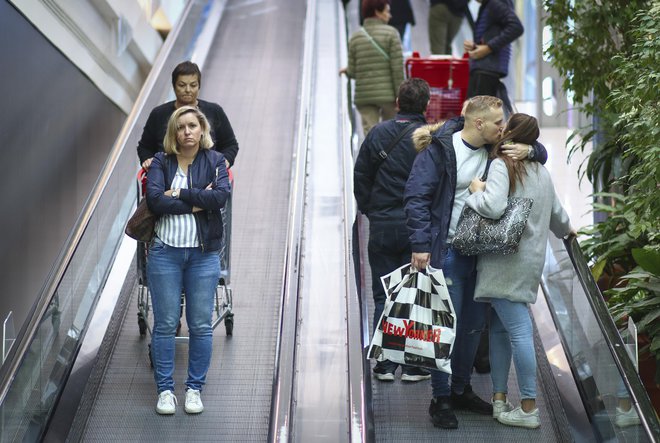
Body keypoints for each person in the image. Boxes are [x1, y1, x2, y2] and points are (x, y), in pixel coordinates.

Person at [403, 95, 547, 430]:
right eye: (498, 122)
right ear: (479, 123)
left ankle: (460, 389)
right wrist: (421, 243)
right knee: (445, 328)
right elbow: (416, 196)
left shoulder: (495, 149)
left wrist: (534, 150)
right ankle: (440, 398)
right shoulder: (442, 150)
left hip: (480, 254)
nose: (503, 128)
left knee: (470, 329)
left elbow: (536, 151)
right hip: (448, 252)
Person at [466, 113, 574, 428]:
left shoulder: (502, 166)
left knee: (518, 331)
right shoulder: (541, 171)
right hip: (528, 262)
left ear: (511, 133)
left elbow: (494, 206)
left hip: (503, 261)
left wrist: (476, 190)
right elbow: (559, 218)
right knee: (500, 331)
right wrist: (570, 231)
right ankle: (500, 399)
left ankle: (528, 407)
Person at [145, 106, 231, 415]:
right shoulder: (160, 162)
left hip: (202, 255)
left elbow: (220, 197)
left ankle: (194, 389)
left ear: (202, 129)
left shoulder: (215, 161)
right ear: (173, 133)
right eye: (181, 127)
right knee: (166, 324)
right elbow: (155, 200)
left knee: (200, 325)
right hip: (164, 253)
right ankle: (165, 390)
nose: (187, 132)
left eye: (193, 125)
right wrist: (196, 202)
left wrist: (179, 192)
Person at [354, 78, 432, 383]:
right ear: (426, 106)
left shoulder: (378, 134)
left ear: (397, 103)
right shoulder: (430, 138)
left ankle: (385, 364)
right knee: (414, 294)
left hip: (383, 225)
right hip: (418, 231)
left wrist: (371, 210)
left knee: (384, 294)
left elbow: (362, 175)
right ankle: (413, 366)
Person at [137, 61, 239, 170]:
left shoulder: (214, 111)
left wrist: (225, 161)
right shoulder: (158, 114)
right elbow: (145, 147)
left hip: (208, 176)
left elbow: (230, 145)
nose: (188, 90)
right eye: (182, 85)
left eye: (193, 85)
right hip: (166, 178)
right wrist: (147, 159)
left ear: (199, 86)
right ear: (174, 86)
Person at [340, 0, 404, 135]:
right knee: (389, 134)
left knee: (370, 134)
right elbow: (397, 69)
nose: (390, 15)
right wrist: (401, 96)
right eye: (387, 11)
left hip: (365, 97)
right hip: (388, 96)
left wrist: (346, 70)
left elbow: (352, 71)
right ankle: (384, 156)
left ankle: (372, 155)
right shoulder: (391, 34)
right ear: (377, 13)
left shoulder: (355, 37)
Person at [463, 0, 523, 115]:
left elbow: (516, 27)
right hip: (487, 70)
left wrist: (488, 48)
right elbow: (493, 34)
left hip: (486, 72)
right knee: (481, 119)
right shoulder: (491, 5)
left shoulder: (494, 4)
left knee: (477, 120)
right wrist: (477, 46)